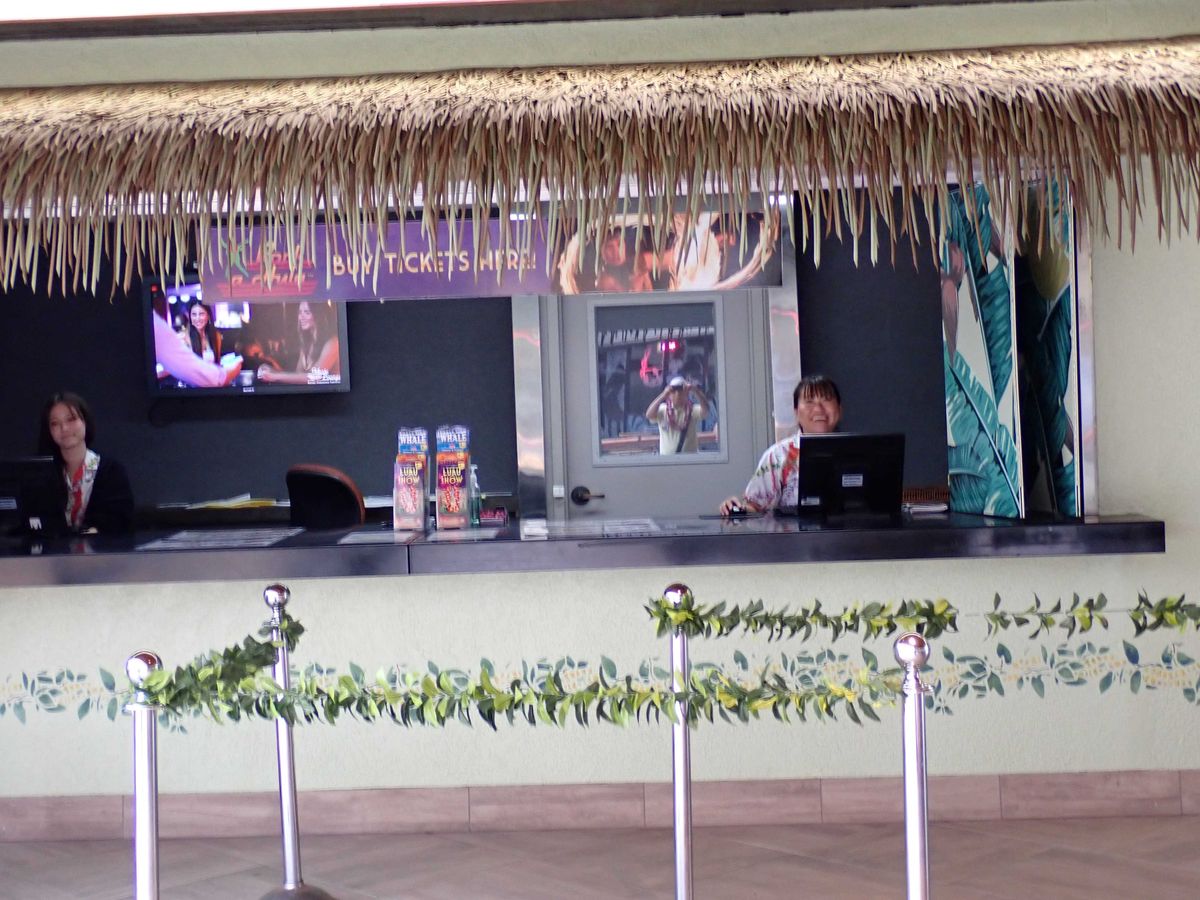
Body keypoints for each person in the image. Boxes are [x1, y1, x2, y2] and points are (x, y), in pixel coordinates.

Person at [720, 374, 842, 515]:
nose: (818, 409)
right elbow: (755, 507)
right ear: (796, 412)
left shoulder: (858, 451)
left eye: (826, 400)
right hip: (795, 529)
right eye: (809, 402)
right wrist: (735, 508)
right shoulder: (778, 455)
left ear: (839, 409)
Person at [37, 392, 134, 534]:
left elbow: (121, 521)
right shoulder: (43, 475)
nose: (64, 428)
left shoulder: (112, 471)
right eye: (55, 423)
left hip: (101, 547)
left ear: (85, 421)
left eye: (71, 419)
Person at [152, 296, 242, 388]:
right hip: (190, 387)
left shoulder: (216, 335)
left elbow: (217, 363)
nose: (197, 318)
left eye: (201, 314)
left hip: (212, 386)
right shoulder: (182, 338)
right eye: (194, 314)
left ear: (208, 316)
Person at [258, 300, 340, 384]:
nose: (301, 317)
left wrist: (275, 376)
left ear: (319, 315)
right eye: (300, 312)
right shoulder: (308, 342)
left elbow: (315, 377)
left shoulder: (333, 342)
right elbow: (298, 375)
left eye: (307, 312)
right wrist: (273, 369)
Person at [645, 375, 710, 455]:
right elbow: (649, 415)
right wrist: (664, 394)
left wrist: (695, 391)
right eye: (674, 391)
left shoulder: (692, 410)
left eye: (680, 391)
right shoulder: (663, 409)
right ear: (669, 395)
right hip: (667, 459)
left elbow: (706, 410)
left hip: (689, 459)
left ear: (686, 394)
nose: (677, 394)